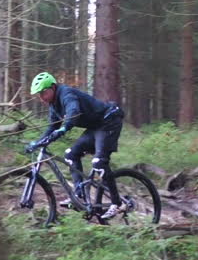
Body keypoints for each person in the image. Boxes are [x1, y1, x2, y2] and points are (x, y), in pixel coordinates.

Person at [24, 71, 127, 219]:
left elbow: (73, 112)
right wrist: (38, 142)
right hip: (95, 126)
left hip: (109, 120)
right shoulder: (54, 105)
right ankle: (79, 196)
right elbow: (52, 127)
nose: (41, 98)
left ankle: (117, 204)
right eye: (39, 95)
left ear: (53, 87)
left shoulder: (66, 94)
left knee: (99, 162)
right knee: (70, 154)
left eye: (43, 93)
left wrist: (65, 127)